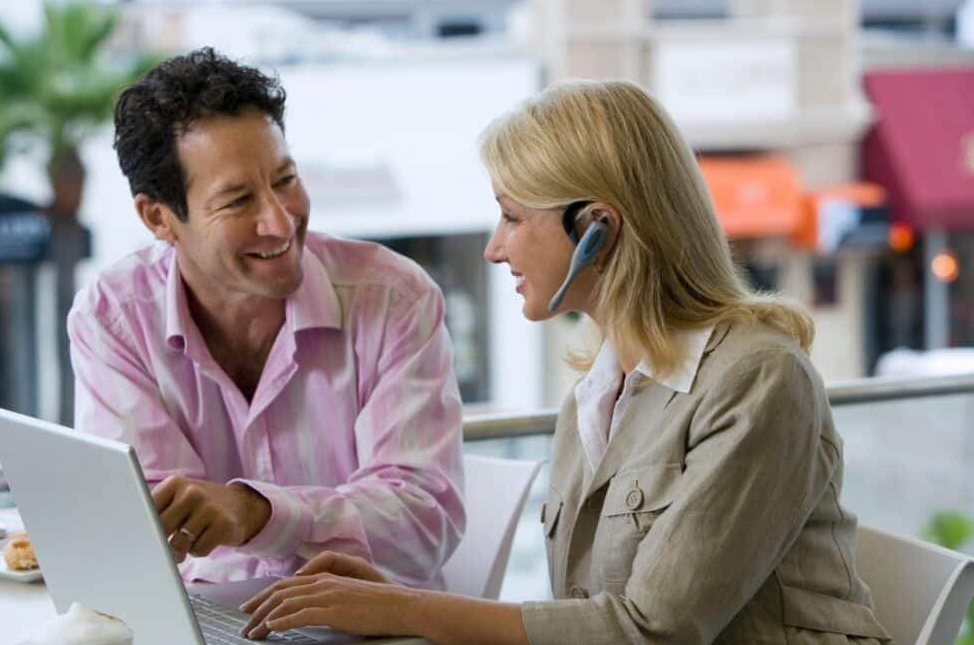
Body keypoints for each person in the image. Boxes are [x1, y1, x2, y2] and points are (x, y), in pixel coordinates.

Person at [237, 80, 892, 645]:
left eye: (511, 217)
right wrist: (388, 601)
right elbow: (588, 622)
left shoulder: (757, 378)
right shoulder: (595, 394)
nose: (495, 249)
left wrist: (413, 610)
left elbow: (652, 630)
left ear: (597, 229)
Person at [66, 47, 465, 587]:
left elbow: (421, 523)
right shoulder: (112, 318)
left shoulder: (395, 298)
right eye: (237, 201)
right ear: (158, 217)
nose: (280, 222)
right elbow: (149, 535)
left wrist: (256, 514)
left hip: (373, 633)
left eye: (285, 180)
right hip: (204, 628)